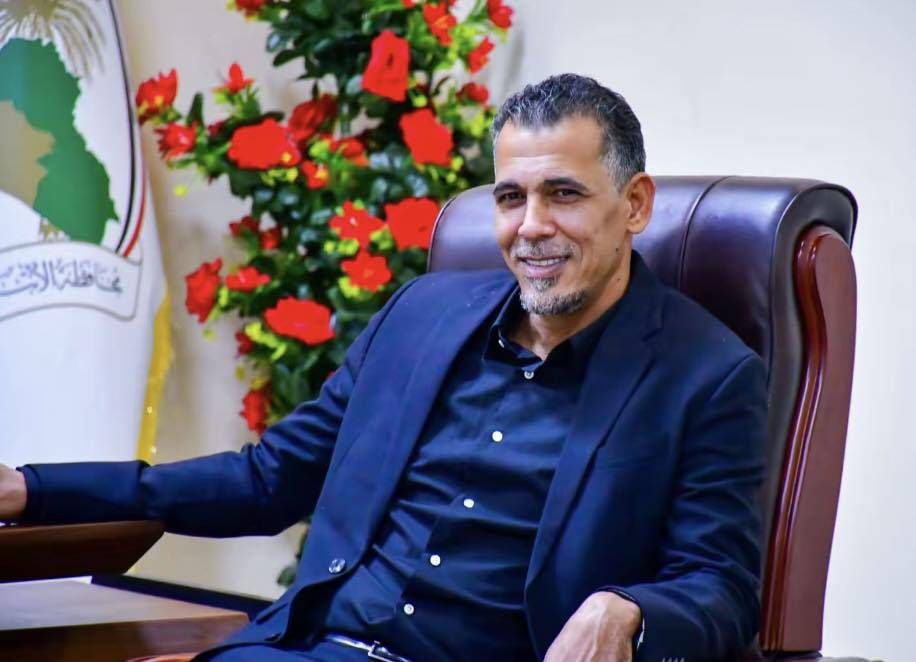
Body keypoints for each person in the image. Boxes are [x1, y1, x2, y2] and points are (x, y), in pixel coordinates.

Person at [0, 74, 766, 661]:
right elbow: (267, 479)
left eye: (563, 194)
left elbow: (722, 587)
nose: (532, 227)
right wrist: (34, 489)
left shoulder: (706, 375)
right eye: (511, 197)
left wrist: (626, 611)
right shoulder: (421, 316)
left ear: (635, 204)